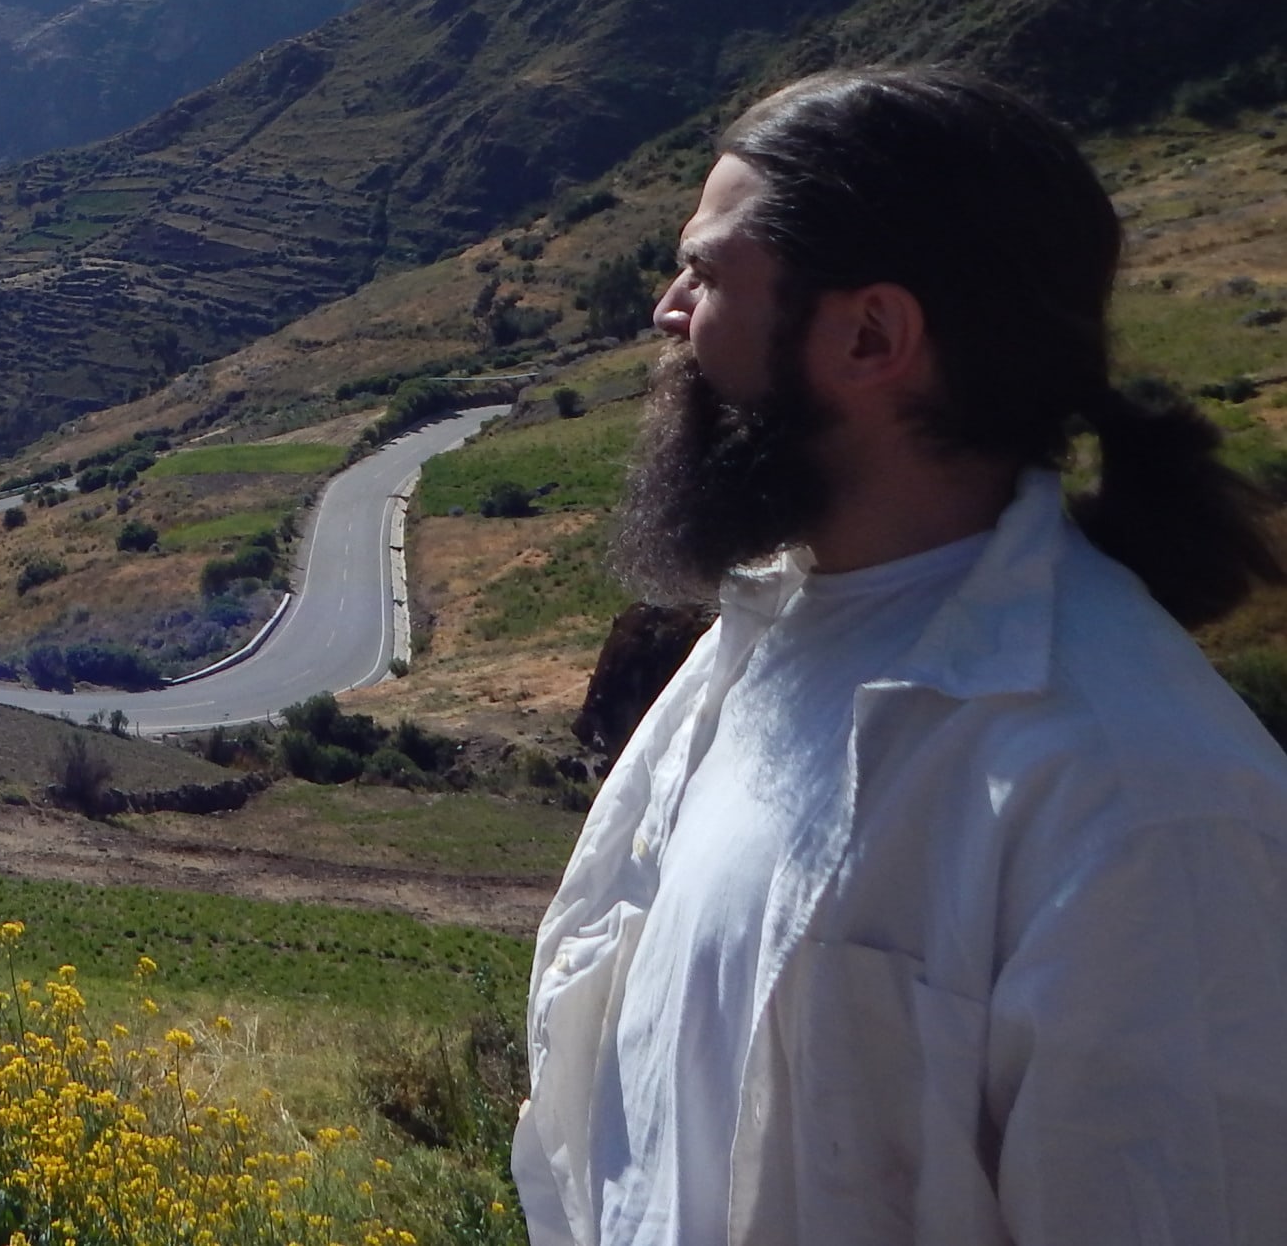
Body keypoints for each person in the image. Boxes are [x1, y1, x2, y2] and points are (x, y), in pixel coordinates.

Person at [514, 67, 1287, 1245]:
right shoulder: (759, 639)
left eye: (709, 273)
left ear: (870, 334)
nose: (668, 311)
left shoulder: (1138, 798)